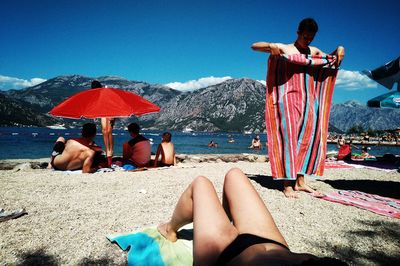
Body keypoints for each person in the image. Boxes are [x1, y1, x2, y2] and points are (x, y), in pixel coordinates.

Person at [158, 168, 346, 265]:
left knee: (201, 183)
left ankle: (170, 229)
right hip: (272, 245)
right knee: (235, 174)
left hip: (225, 257)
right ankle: (220, 223)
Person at [251, 18, 345, 198]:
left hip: (309, 101)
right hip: (287, 100)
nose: (307, 40)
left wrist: (340, 49)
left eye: (310, 38)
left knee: (306, 140)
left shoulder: (314, 51)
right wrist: (272, 46)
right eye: (304, 36)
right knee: (288, 139)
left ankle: (300, 182)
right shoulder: (286, 48)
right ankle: (287, 184)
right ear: (298, 33)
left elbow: (333, 59)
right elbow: (254, 46)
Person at [91, 80, 115, 167]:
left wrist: (112, 115)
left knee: (109, 130)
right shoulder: (96, 93)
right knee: (104, 130)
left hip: (111, 110)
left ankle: (110, 152)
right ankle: (107, 150)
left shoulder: (106, 90)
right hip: (103, 110)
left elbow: (112, 102)